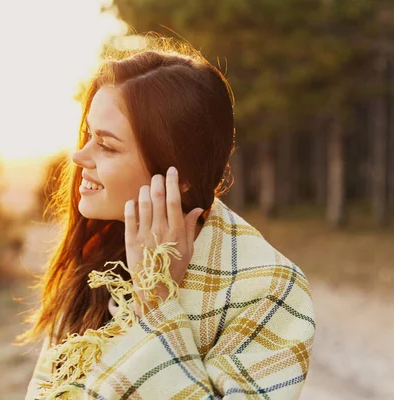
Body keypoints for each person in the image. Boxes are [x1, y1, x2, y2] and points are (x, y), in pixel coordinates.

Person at [18, 36, 315, 400]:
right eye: (87, 135)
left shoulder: (268, 287)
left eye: (107, 145)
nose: (80, 156)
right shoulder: (96, 253)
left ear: (181, 176)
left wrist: (156, 303)